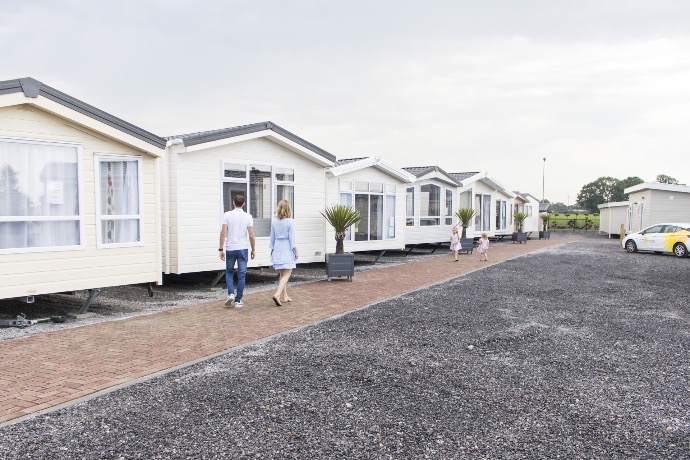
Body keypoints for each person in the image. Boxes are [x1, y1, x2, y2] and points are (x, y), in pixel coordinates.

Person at [219, 195, 256, 308]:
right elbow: (251, 235)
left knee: (229, 272)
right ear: (243, 204)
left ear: (233, 203)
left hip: (230, 248)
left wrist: (221, 249)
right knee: (242, 274)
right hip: (243, 248)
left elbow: (223, 233)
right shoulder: (248, 216)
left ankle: (230, 293)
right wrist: (253, 249)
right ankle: (238, 300)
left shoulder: (227, 215)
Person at [269, 199, 298, 306]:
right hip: (286, 247)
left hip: (277, 246)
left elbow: (272, 237)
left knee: (282, 273)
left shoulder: (274, 221)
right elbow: (292, 238)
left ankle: (285, 296)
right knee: (287, 273)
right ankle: (277, 294)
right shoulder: (290, 221)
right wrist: (295, 250)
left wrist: (272, 249)